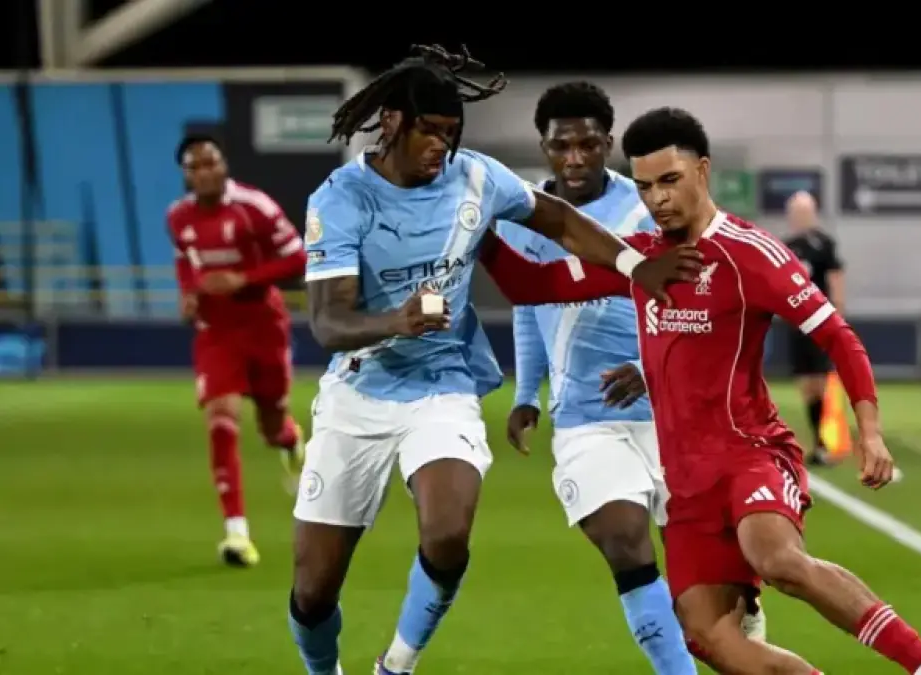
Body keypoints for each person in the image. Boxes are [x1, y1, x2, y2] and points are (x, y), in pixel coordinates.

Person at [480, 107, 921, 675]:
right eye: (644, 186)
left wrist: (870, 433)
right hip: (685, 482)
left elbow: (838, 337)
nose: (657, 199)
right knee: (707, 636)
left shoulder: (751, 253)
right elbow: (530, 285)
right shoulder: (641, 259)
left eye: (669, 180)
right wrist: (476, 224)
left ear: (703, 170)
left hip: (749, 452)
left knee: (777, 559)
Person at [287, 47, 695, 675]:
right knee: (314, 591)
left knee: (448, 532)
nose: (441, 148)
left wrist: (636, 267)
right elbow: (328, 323)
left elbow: (559, 221)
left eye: (450, 134)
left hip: (443, 385)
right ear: (391, 122)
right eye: (429, 131)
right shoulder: (341, 199)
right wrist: (398, 321)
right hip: (359, 392)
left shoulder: (475, 178)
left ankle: (397, 664)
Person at [497, 81, 762, 675]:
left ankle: (744, 631)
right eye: (561, 146)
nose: (574, 158)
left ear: (607, 144)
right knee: (623, 539)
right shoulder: (524, 218)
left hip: (674, 415)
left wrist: (649, 368)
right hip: (585, 416)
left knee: (712, 593)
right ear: (544, 148)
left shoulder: (646, 208)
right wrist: (526, 393)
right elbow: (528, 307)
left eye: (588, 145)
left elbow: (701, 301)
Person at [167, 134, 308, 567]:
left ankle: (291, 441)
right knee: (221, 419)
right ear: (185, 175)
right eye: (195, 167)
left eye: (211, 162)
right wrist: (189, 294)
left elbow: (299, 258)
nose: (204, 172)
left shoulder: (255, 207)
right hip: (216, 331)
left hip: (263, 326)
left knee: (272, 427)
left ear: (224, 165)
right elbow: (184, 260)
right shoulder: (178, 217)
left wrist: (243, 280)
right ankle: (236, 533)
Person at [781, 191, 845, 466]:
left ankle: (824, 441)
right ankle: (818, 440)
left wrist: (837, 314)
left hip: (819, 320)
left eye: (804, 212)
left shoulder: (824, 244)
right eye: (796, 212)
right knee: (805, 383)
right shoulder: (786, 247)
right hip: (797, 323)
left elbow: (836, 277)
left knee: (821, 381)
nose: (800, 217)